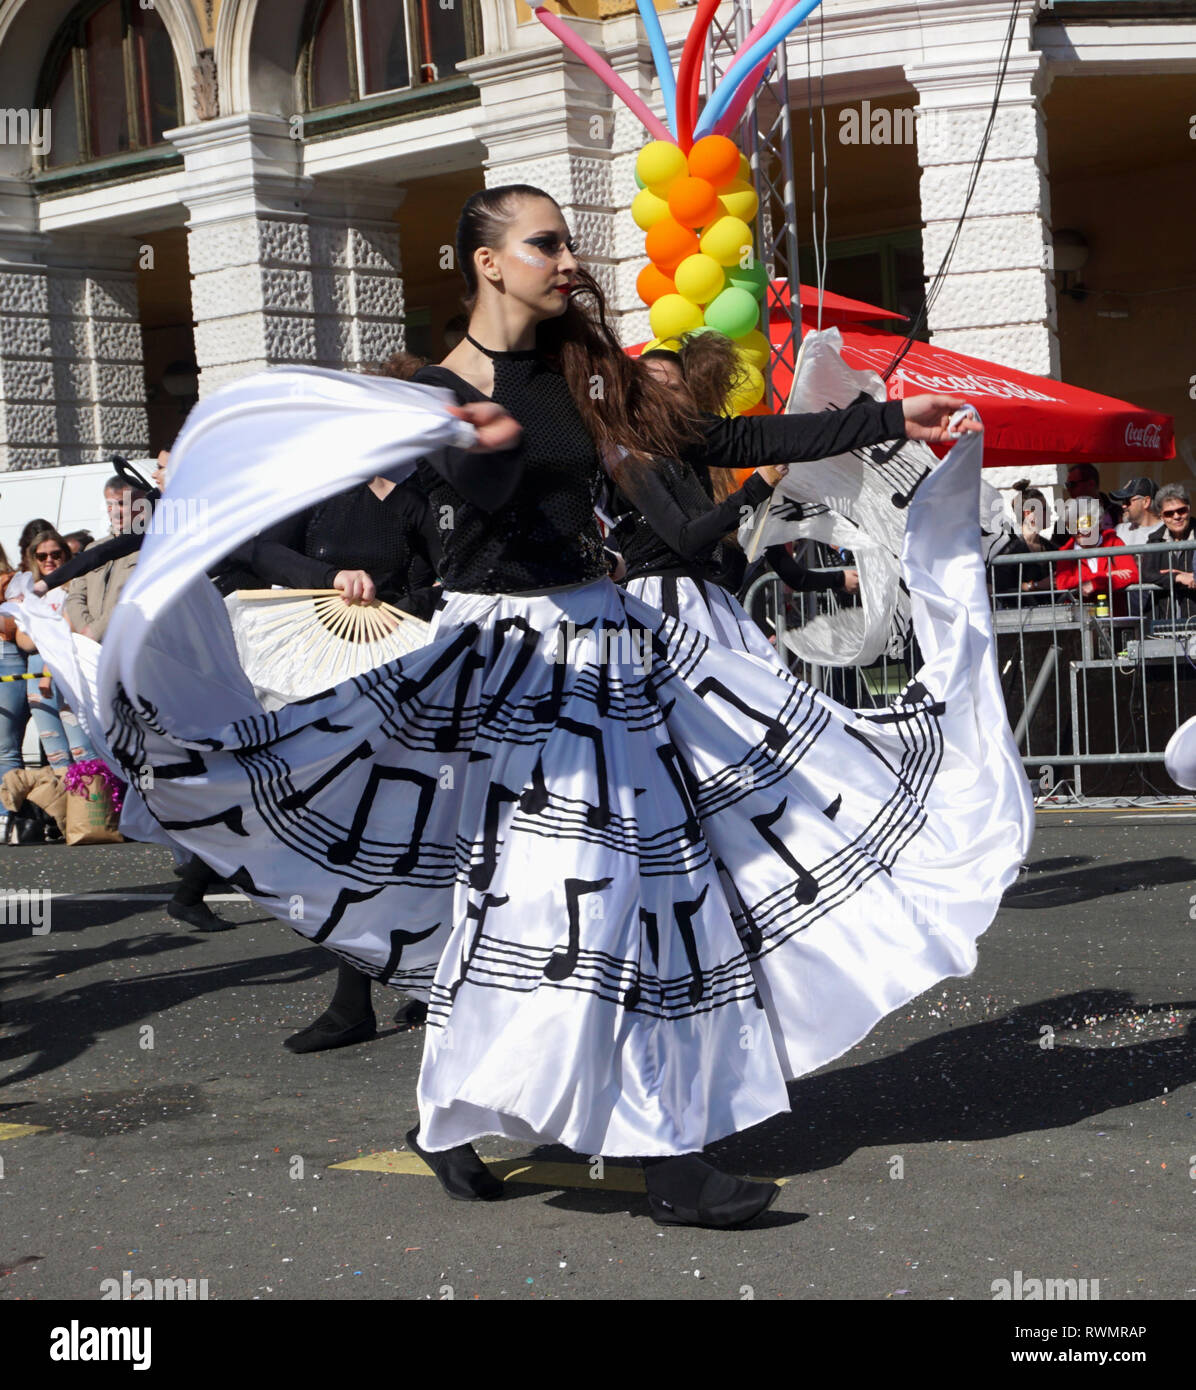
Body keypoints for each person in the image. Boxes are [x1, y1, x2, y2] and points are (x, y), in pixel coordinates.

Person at [102, 184, 1027, 1231]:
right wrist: (481, 452)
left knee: (632, 893)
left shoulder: (583, 370)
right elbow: (460, 536)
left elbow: (710, 439)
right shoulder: (432, 393)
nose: (563, 260)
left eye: (563, 243)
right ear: (485, 263)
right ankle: (651, 1154)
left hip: (611, 652)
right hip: (512, 670)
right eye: (542, 244)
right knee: (562, 901)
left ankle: (513, 1123)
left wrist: (879, 417)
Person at [10, 528, 99, 773]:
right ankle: (68, 809)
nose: (49, 560)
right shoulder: (32, 593)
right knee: (55, 750)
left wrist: (41, 632)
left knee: (82, 747)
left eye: (55, 554)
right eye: (41, 556)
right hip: (37, 671)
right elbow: (24, 642)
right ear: (33, 559)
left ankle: (95, 806)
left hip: (63, 668)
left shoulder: (74, 587)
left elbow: (69, 631)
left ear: (65, 555)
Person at [64, 475, 148, 642]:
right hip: (92, 644)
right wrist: (86, 630)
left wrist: (97, 630)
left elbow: (134, 598)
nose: (115, 512)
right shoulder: (94, 549)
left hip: (128, 642)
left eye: (122, 504)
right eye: (110, 504)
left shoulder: (146, 548)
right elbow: (75, 596)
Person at [1023, 497, 1138, 610]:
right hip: (1080, 618)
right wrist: (1107, 575)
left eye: (1083, 524)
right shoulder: (1066, 552)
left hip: (1115, 617)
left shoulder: (1113, 542)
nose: (1078, 531)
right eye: (1071, 526)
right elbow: (1063, 583)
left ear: (1098, 524)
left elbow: (1133, 575)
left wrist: (1095, 584)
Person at [1138, 483, 1195, 618]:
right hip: (1164, 619)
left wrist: (1193, 577)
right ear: (1162, 517)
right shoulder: (1155, 540)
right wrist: (1178, 577)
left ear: (1189, 509)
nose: (1176, 517)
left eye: (1181, 510)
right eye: (1169, 513)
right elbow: (1146, 574)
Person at [1111, 478, 1160, 547]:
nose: (1123, 506)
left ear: (1146, 502)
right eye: (1123, 501)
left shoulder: (1167, 531)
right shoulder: (1119, 531)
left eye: (1127, 501)